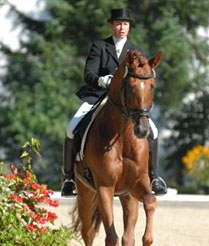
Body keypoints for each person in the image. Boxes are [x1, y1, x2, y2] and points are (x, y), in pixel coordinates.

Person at [61, 8, 167, 197]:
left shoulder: (135, 51)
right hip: (99, 95)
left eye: (125, 24)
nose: (121, 27)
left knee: (154, 131)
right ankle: (69, 178)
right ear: (111, 25)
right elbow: (88, 74)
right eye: (118, 24)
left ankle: (154, 176)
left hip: (125, 101)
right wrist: (102, 80)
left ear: (129, 27)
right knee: (71, 128)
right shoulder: (99, 46)